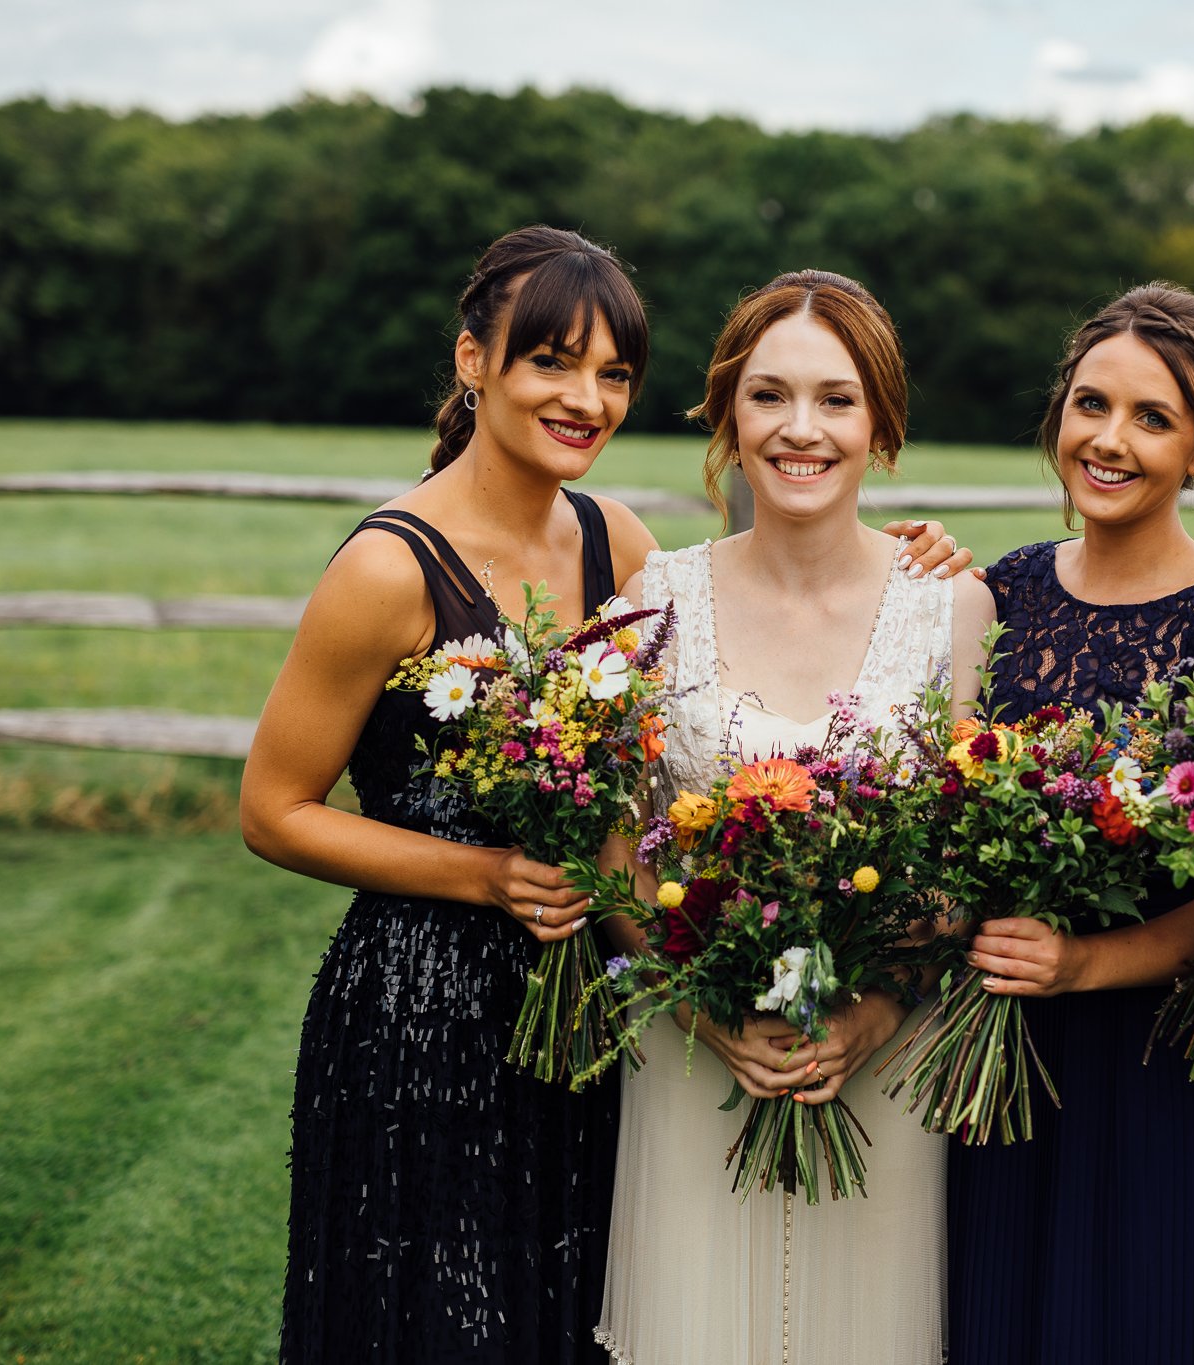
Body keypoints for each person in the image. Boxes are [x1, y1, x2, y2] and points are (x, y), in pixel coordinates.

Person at [240, 228, 969, 1363]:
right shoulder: (387, 566)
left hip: (588, 1006)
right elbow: (272, 811)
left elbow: (663, 764)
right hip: (422, 1002)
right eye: (552, 363)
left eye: (614, 373)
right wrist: (489, 875)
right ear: (472, 360)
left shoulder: (613, 546)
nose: (586, 398)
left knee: (563, 1317)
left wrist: (911, 554)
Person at [594, 269, 997, 1364]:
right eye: (768, 396)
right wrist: (703, 1011)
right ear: (727, 412)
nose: (800, 429)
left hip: (878, 1064)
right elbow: (616, 856)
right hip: (691, 1065)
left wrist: (868, 1015)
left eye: (836, 398)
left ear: (881, 425)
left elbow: (956, 870)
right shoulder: (649, 601)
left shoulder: (952, 609)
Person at [947, 283, 1194, 1364]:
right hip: (1002, 1042)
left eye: (1151, 419)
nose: (1108, 439)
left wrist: (1086, 964)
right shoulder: (1001, 591)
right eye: (1090, 404)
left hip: (1160, 1064)